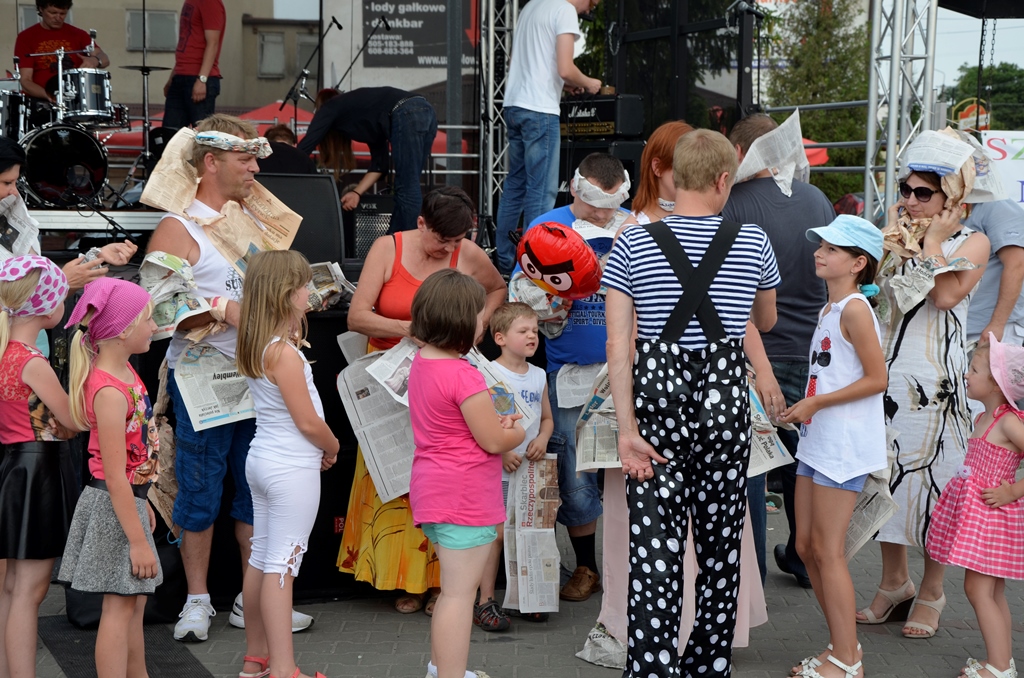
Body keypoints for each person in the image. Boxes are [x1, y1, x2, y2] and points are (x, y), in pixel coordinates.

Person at [602, 129, 779, 678]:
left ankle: (653, 667)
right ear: (724, 180)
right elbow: (765, 319)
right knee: (721, 548)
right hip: (724, 400)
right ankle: (708, 666)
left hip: (656, 397)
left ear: (674, 176)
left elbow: (618, 345)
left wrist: (626, 430)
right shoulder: (753, 241)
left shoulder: (631, 242)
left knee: (654, 551)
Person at [146, 114, 313, 642]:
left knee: (255, 491)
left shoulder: (251, 220)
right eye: (245, 159)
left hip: (257, 377)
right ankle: (197, 600)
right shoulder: (177, 227)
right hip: (202, 383)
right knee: (199, 492)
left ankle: (251, 598)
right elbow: (158, 310)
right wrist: (227, 310)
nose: (256, 169)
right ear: (211, 162)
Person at [340, 186, 505, 615]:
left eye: (456, 242)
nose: (447, 250)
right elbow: (357, 315)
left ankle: (441, 584)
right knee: (397, 482)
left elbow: (496, 289)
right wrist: (409, 329)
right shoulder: (387, 248)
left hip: (443, 374)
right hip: (390, 372)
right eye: (441, 240)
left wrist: (480, 320)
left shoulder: (466, 253)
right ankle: (404, 579)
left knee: (441, 478)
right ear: (420, 224)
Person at [858, 142, 990, 638]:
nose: (910, 200)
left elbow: (947, 294)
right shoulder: (895, 234)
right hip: (887, 375)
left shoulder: (974, 242)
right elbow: (874, 296)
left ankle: (933, 590)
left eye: (923, 193)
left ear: (952, 198)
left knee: (938, 485)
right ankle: (894, 582)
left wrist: (932, 241)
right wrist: (893, 244)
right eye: (906, 189)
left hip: (939, 384)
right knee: (886, 480)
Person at [722, 113, 837, 588]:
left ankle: (750, 569)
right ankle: (805, 559)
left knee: (753, 461)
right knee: (802, 463)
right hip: (813, 351)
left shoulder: (732, 204)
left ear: (742, 152)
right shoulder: (817, 200)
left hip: (756, 353)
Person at [516, 152, 630, 604]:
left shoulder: (634, 226)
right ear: (574, 189)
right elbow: (519, 296)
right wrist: (549, 304)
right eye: (596, 206)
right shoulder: (547, 227)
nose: (603, 215)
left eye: (611, 205)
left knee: (632, 470)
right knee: (574, 473)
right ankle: (587, 567)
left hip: (629, 368)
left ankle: (632, 567)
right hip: (570, 372)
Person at [779, 215, 888, 678]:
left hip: (842, 445)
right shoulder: (832, 308)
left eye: (832, 249)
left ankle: (847, 659)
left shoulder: (855, 310)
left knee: (827, 550)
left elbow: (878, 379)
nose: (820, 253)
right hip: (817, 440)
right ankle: (842, 648)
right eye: (821, 245)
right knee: (806, 547)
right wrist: (803, 407)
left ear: (858, 263)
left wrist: (815, 403)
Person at [407, 269, 526, 678]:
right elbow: (494, 440)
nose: (483, 321)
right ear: (461, 320)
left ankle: (439, 669)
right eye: (479, 314)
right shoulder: (463, 374)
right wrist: (515, 430)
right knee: (459, 597)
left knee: (451, 593)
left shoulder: (423, 361)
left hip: (433, 489)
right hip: (464, 496)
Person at [236, 250, 338, 678]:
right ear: (286, 293)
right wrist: (332, 445)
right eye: (303, 285)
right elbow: (308, 422)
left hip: (264, 460)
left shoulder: (259, 345)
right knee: (282, 567)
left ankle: (256, 659)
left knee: (262, 558)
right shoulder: (284, 353)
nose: (309, 291)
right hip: (290, 467)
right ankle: (283, 669)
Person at [57, 278, 161, 678]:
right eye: (147, 320)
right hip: (112, 505)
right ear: (122, 330)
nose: (154, 327)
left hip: (127, 501)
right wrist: (138, 541)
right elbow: (115, 477)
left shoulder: (126, 372)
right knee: (119, 608)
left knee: (132, 604)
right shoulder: (110, 392)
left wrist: (142, 502)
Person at [927, 336, 1024, 678]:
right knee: (991, 591)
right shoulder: (985, 416)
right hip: (981, 515)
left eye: (974, 369)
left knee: (978, 589)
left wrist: (1013, 491)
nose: (966, 374)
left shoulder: (1008, 421)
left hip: (993, 516)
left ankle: (999, 666)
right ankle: (1001, 661)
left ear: (997, 383)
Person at [0, 256, 78, 678]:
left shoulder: (5, 355)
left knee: (12, 587)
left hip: (13, 468)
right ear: (47, 306)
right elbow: (72, 420)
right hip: (39, 473)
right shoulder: (32, 361)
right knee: (30, 592)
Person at [494, 0, 602, 274]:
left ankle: (505, 263)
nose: (587, 11)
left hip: (515, 105)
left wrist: (564, 85)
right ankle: (532, 266)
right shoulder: (564, 10)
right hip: (539, 110)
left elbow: (526, 63)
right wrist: (588, 82)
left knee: (516, 185)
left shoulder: (531, 6)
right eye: (591, 5)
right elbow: (566, 68)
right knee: (541, 191)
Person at [474, 302, 553, 633]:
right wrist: (504, 452)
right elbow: (485, 423)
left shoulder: (539, 375)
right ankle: (485, 600)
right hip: (500, 469)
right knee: (496, 535)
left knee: (530, 531)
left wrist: (543, 439)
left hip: (531, 469)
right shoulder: (489, 374)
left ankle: (527, 598)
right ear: (500, 338)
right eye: (523, 331)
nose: (532, 336)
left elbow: (546, 419)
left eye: (535, 330)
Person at [0, 137, 137, 291]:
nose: (14, 192)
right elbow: (18, 302)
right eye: (7, 182)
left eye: (16, 182)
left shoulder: (12, 213)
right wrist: (63, 282)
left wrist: (97, 257)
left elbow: (40, 292)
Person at [296, 87, 438, 234]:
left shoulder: (330, 107)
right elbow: (380, 165)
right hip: (427, 111)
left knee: (406, 186)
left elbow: (303, 149)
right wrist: (356, 193)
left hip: (407, 111)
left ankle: (407, 240)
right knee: (408, 185)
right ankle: (396, 238)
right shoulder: (366, 114)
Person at [14, 0, 109, 104]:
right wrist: (49, 96)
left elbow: (104, 59)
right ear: (41, 9)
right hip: (40, 102)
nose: (58, 18)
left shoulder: (78, 34)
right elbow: (26, 80)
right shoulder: (26, 37)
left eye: (62, 14)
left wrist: (95, 60)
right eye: (53, 13)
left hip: (75, 100)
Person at [965, 199, 1024, 347]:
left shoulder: (996, 205)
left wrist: (997, 324)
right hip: (957, 328)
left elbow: (1017, 265)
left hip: (991, 330)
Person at [162, 0, 226, 131]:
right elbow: (187, 44)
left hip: (198, 77)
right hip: (181, 75)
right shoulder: (191, 2)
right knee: (169, 134)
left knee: (201, 134)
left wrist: (202, 79)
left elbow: (213, 43)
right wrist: (172, 77)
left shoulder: (209, 2)